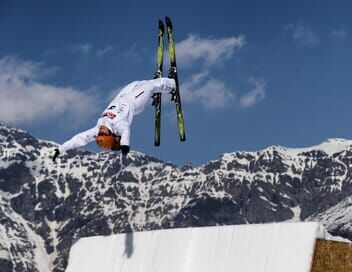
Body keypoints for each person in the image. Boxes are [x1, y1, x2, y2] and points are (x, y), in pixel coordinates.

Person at [52, 77, 176, 162]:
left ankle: (152, 95)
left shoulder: (97, 129)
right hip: (134, 102)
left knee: (138, 82)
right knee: (150, 85)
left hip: (122, 95)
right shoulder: (118, 125)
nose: (100, 131)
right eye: (102, 134)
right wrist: (125, 145)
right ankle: (173, 85)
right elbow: (126, 130)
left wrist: (61, 148)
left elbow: (79, 139)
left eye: (99, 134)